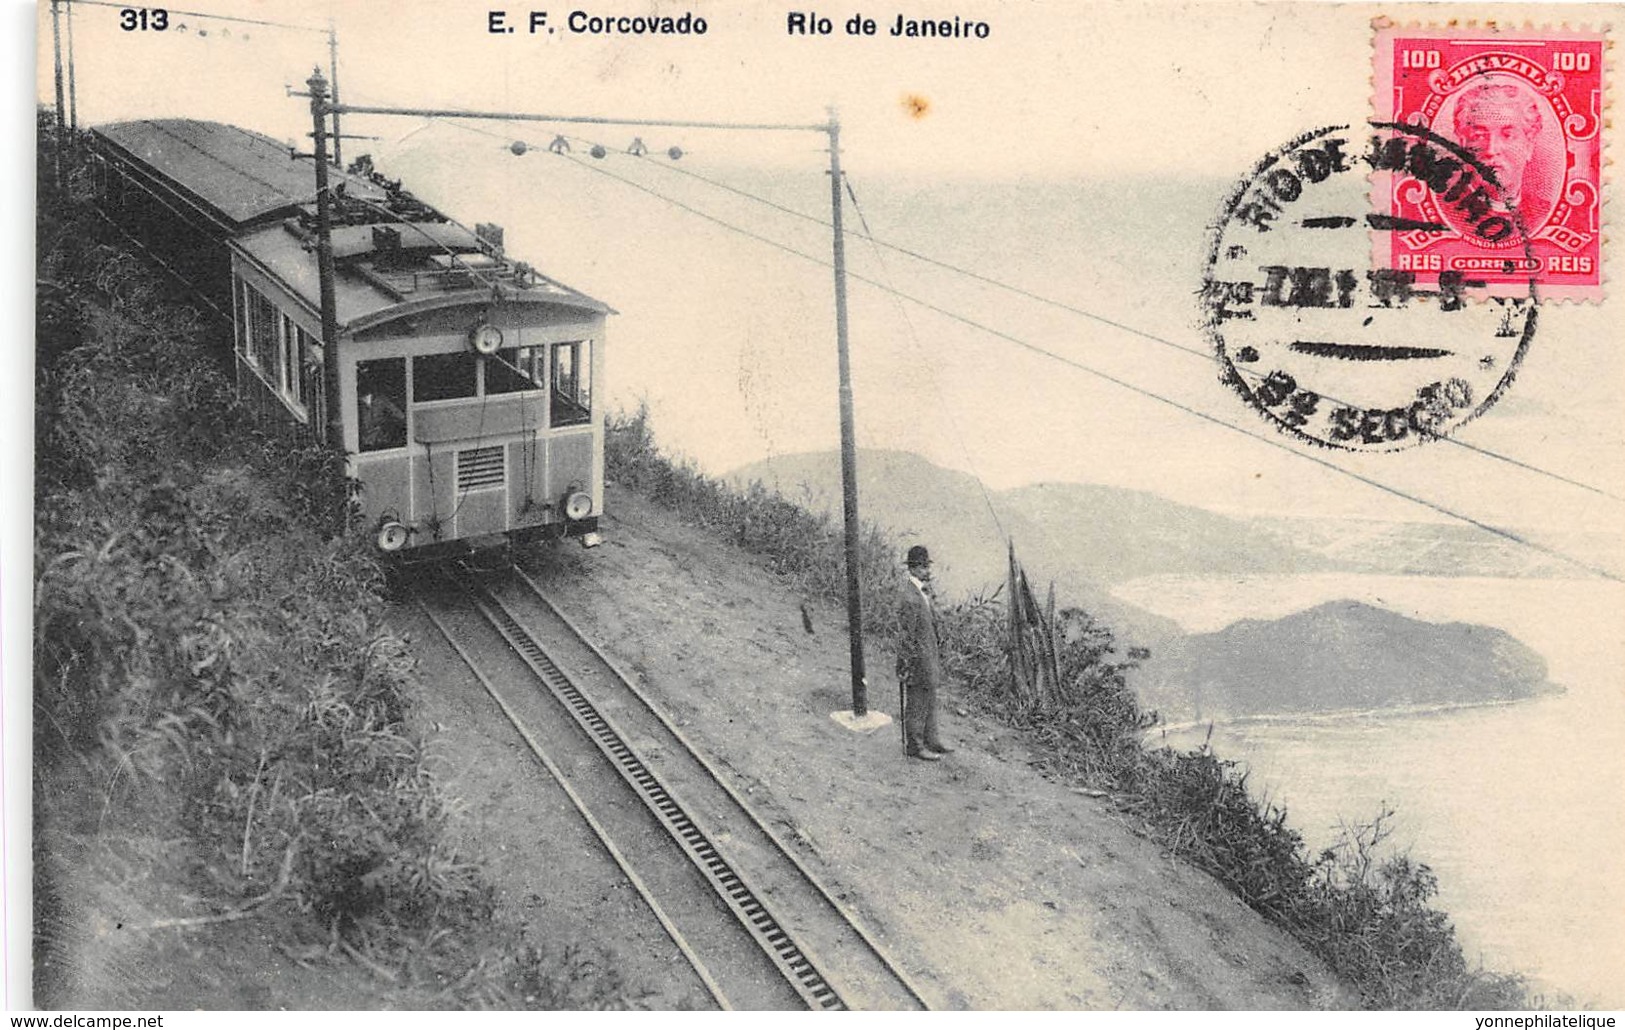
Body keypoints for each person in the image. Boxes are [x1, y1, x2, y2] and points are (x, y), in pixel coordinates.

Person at [1451, 80, 1552, 228]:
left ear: (1529, 145)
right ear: (1463, 144)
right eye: (1479, 136)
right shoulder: (1446, 214)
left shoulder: (1544, 214)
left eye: (1507, 135)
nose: (1491, 150)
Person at [896, 545, 954, 761]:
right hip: (918, 659)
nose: (927, 571)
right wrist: (905, 664)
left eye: (926, 566)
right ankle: (915, 745)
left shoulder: (921, 592)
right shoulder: (910, 598)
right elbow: (906, 636)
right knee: (918, 701)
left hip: (928, 655)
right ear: (914, 569)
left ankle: (932, 739)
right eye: (923, 567)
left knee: (929, 698)